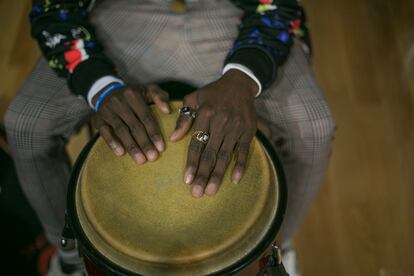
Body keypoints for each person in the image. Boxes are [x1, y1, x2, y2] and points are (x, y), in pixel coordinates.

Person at [5, 0, 335, 274]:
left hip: (230, 15)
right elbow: (52, 6)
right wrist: (99, 84)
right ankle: (70, 253)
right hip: (119, 14)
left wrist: (244, 76)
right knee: (26, 125)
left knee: (314, 128)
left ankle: (273, 249)